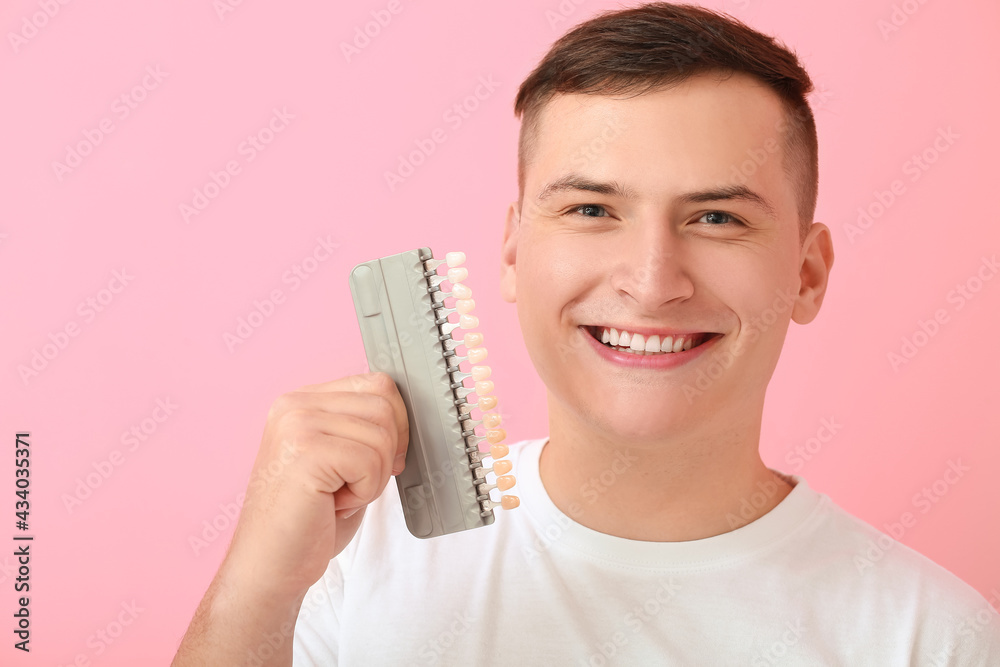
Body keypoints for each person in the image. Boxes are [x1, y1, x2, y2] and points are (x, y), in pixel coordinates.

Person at [173, 3, 1000, 665]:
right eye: (592, 210)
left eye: (716, 216)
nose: (651, 279)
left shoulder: (931, 638)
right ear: (511, 252)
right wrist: (254, 591)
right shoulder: (348, 559)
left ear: (809, 274)